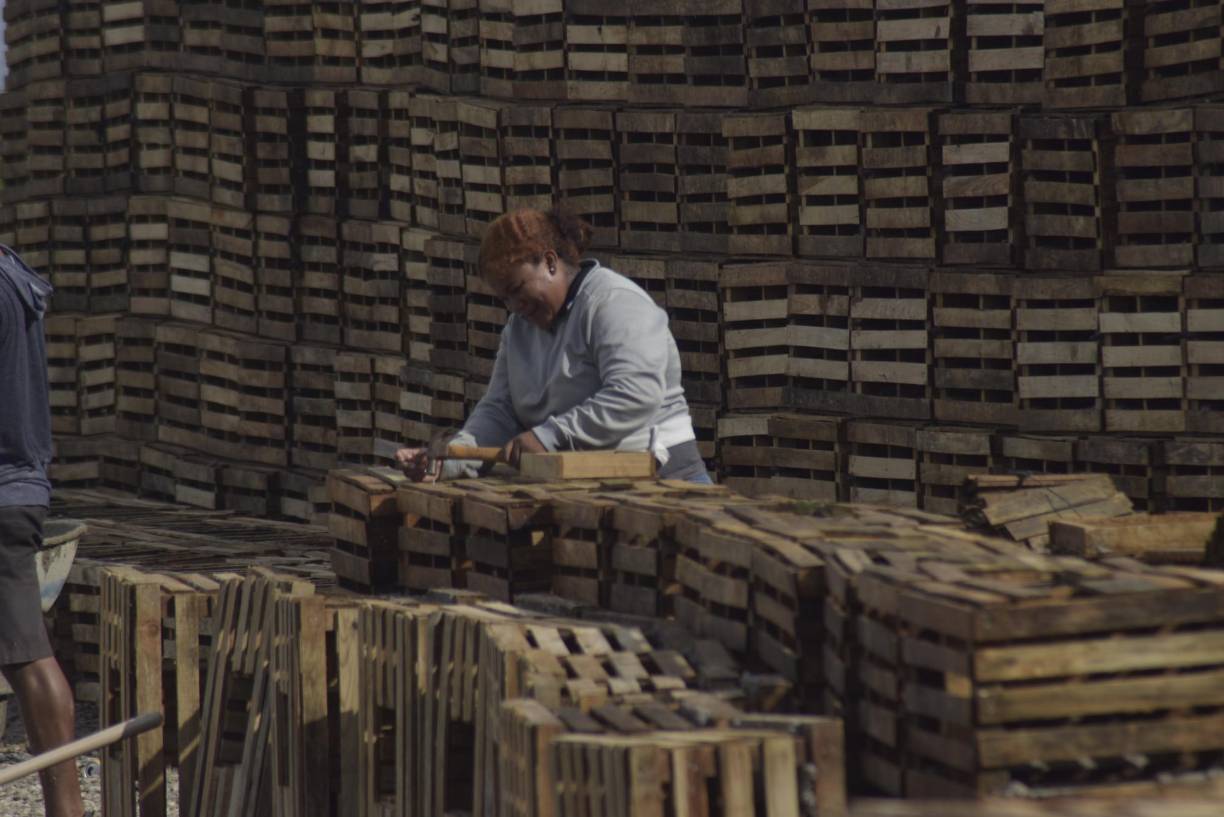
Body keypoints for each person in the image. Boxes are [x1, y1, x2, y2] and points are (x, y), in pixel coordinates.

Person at [396, 208, 712, 484]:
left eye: (517, 290)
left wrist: (549, 436)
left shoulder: (614, 304)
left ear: (549, 262)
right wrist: (449, 460)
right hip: (585, 486)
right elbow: (500, 410)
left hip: (666, 478)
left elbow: (635, 392)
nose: (514, 306)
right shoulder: (518, 329)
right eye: (504, 298)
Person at [0, 245, 87, 817]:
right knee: (27, 649)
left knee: (28, 655)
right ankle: (66, 805)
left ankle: (67, 805)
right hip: (21, 489)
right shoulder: (13, 273)